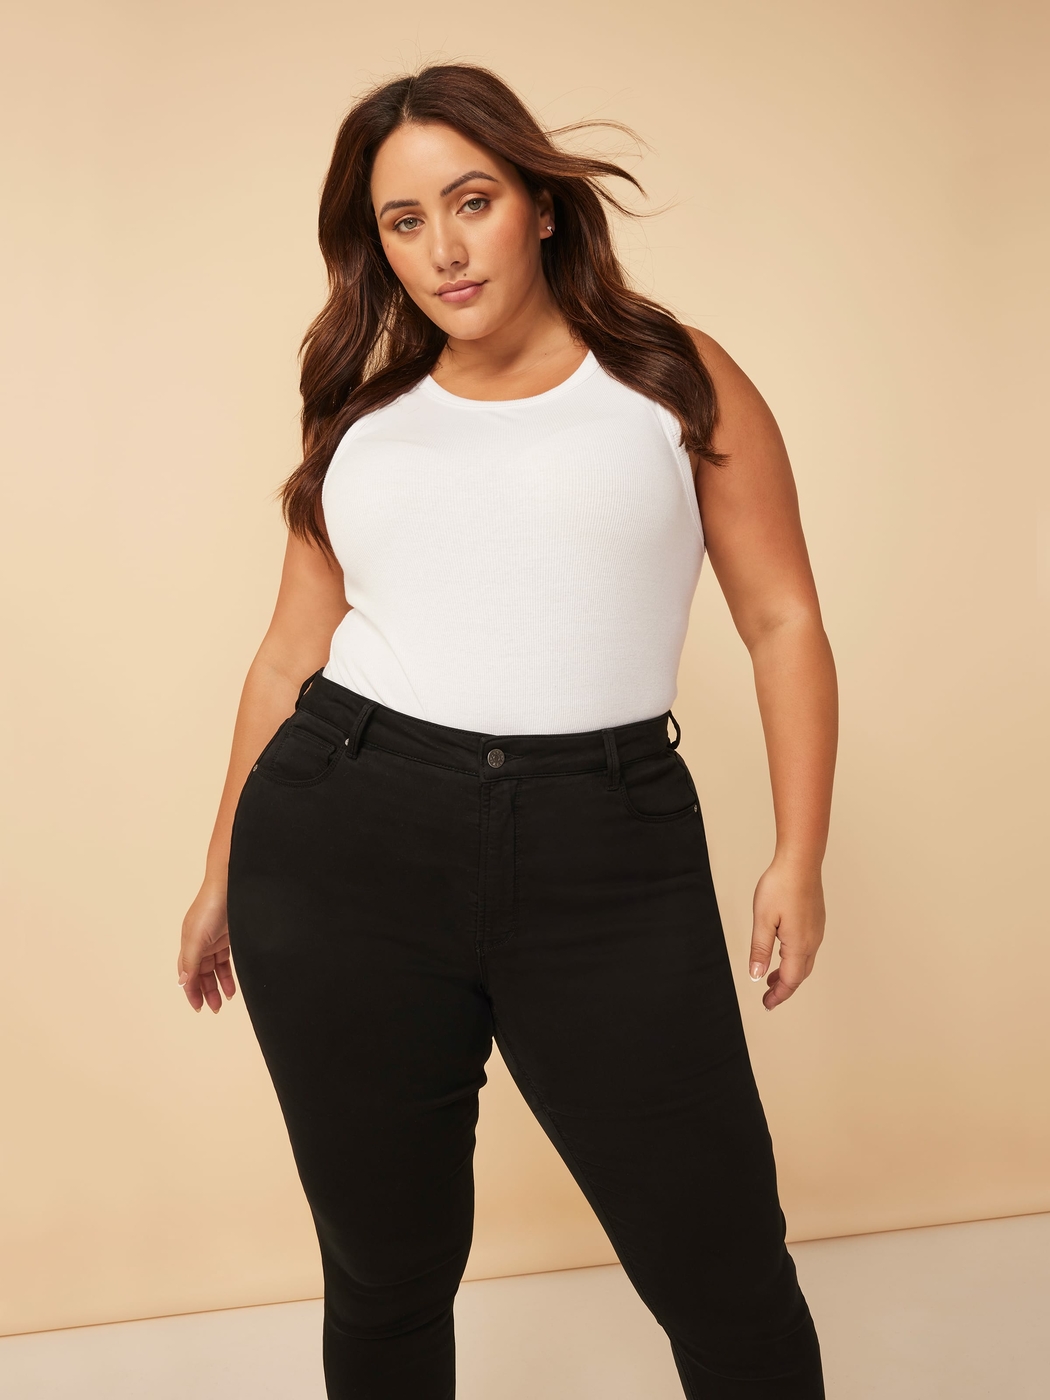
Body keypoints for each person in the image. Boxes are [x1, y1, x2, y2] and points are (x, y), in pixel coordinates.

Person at [178, 62, 836, 1400]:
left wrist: (798, 853)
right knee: (384, 1271)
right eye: (404, 221)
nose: (443, 247)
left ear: (538, 202)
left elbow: (781, 618)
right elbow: (289, 654)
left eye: (470, 200)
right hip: (343, 839)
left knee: (722, 1268)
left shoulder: (671, 378)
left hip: (606, 848)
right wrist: (217, 870)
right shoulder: (362, 413)